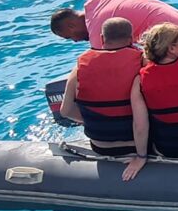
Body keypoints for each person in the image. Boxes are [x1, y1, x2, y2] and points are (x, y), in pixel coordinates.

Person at [123, 23, 178, 179]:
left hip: (165, 149)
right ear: (171, 48)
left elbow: (140, 125)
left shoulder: (140, 79)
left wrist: (141, 157)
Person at [57, 17, 141, 156]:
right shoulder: (143, 62)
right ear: (131, 38)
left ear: (102, 38)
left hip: (101, 146)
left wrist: (91, 121)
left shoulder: (80, 67)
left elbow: (65, 111)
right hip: (141, 144)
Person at [51, 0, 178, 52]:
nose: (75, 41)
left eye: (69, 37)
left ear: (71, 25)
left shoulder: (97, 30)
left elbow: (103, 64)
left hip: (174, 36)